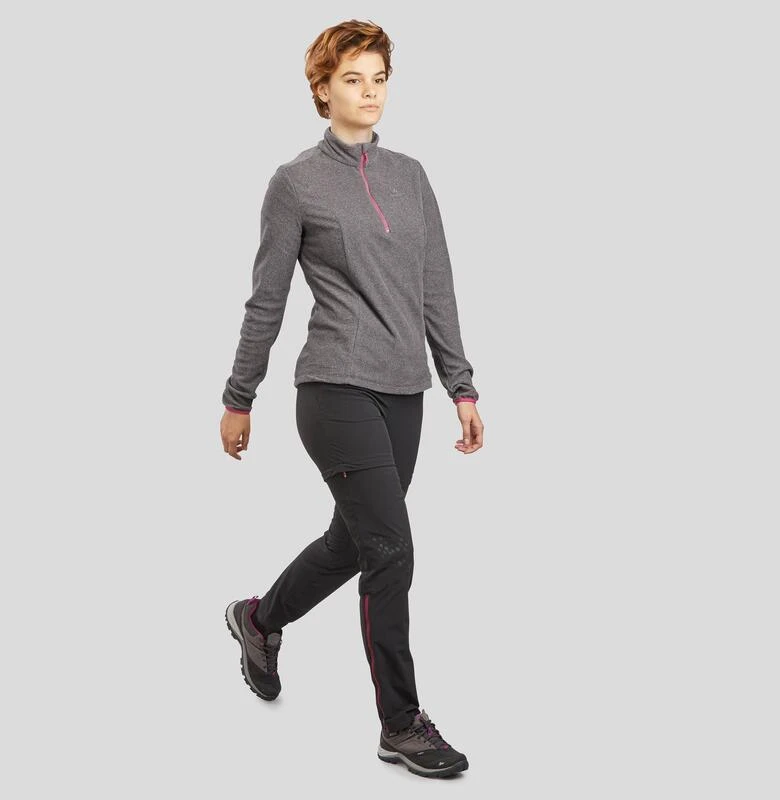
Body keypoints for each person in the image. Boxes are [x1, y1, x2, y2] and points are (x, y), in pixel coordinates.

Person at [220, 20, 484, 779]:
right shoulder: (296, 183)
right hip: (333, 388)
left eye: (378, 79)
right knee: (391, 548)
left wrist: (461, 383)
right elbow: (266, 299)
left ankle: (259, 618)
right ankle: (401, 722)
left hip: (405, 392)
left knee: (355, 542)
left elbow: (436, 286)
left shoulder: (411, 175)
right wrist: (240, 395)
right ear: (322, 89)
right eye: (352, 80)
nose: (369, 93)